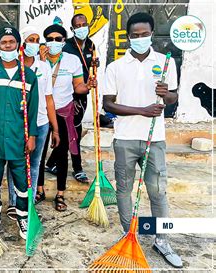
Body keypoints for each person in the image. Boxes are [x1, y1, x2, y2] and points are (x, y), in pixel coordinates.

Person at [102, 12, 182, 268]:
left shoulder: (166, 62)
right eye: (135, 35)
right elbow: (108, 104)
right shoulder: (115, 67)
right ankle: (130, 236)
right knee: (124, 190)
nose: (140, 38)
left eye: (144, 34)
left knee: (158, 191)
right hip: (125, 138)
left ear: (151, 34)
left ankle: (162, 240)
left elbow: (173, 99)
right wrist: (141, 110)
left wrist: (166, 94)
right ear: (128, 37)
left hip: (154, 139)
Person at [0, 26, 39, 239]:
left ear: (18, 45)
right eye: (3, 43)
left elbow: (33, 109)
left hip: (18, 140)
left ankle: (23, 218)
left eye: (11, 42)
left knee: (22, 184)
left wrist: (32, 137)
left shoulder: (29, 77)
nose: (7, 46)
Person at [36, 22, 96, 211]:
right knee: (38, 154)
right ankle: (39, 189)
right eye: (49, 39)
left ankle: (60, 194)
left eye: (58, 39)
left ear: (63, 42)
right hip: (40, 113)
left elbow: (78, 86)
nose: (53, 42)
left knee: (61, 155)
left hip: (62, 111)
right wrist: (40, 61)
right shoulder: (38, 61)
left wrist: (87, 86)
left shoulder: (72, 60)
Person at [5, 26, 59, 220]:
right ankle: (13, 202)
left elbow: (49, 99)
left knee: (35, 163)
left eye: (37, 40)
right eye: (31, 39)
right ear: (22, 43)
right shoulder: (13, 66)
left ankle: (29, 201)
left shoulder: (44, 67)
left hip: (41, 123)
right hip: (17, 123)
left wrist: (56, 128)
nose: (34, 44)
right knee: (14, 162)